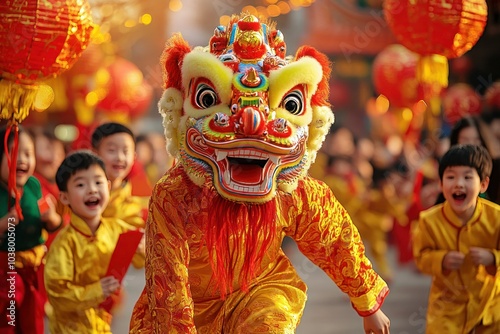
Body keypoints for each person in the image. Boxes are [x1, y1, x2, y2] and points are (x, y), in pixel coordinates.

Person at [130, 14, 390, 334]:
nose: (252, 123)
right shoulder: (174, 194)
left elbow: (333, 237)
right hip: (192, 307)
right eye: (209, 99)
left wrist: (366, 301)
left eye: (290, 104)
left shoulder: (291, 190)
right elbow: (168, 283)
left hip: (263, 289)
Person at [44, 150, 145, 333]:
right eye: (81, 184)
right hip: (70, 328)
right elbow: (57, 295)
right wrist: (96, 291)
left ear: (107, 186)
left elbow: (141, 262)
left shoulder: (117, 228)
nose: (92, 189)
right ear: (64, 197)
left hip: (103, 322)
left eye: (98, 182)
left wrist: (142, 248)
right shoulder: (64, 243)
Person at [413, 144, 500, 333]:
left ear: (483, 184)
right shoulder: (429, 221)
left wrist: (493, 258)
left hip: (490, 305)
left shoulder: (497, 217)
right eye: (451, 177)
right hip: (446, 309)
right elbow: (420, 258)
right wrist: (440, 259)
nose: (459, 184)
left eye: (467, 177)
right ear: (441, 184)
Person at [0, 125, 62, 334]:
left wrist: (52, 217)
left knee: (32, 324)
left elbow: (52, 224)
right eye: (14, 153)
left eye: (28, 153)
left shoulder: (34, 186)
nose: (22, 160)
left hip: (34, 273)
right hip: (5, 275)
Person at [91, 122, 147, 229]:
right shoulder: (79, 198)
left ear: (134, 156)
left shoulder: (141, 204)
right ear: (95, 153)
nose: (120, 158)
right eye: (111, 150)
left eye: (126, 151)